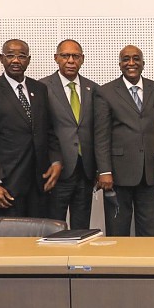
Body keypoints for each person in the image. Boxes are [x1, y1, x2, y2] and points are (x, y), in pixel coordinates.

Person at [0, 39, 62, 217]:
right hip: (8, 187)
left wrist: (56, 161)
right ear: (1, 58)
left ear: (28, 60)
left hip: (41, 184)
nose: (15, 60)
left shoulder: (40, 89)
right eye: (10, 56)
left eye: (21, 56)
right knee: (9, 236)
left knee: (40, 234)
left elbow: (48, 131)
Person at [94, 45, 154, 236]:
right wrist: (104, 171)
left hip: (149, 173)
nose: (131, 63)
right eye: (126, 59)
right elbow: (101, 135)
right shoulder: (106, 92)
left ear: (143, 63)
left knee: (150, 231)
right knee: (118, 230)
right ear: (120, 64)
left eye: (136, 58)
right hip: (118, 174)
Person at [41, 39, 97, 229]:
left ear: (82, 59)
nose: (71, 60)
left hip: (86, 170)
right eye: (65, 56)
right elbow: (42, 131)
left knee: (81, 227)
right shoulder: (42, 88)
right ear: (56, 58)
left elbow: (98, 130)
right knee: (53, 226)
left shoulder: (93, 88)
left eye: (76, 56)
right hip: (56, 170)